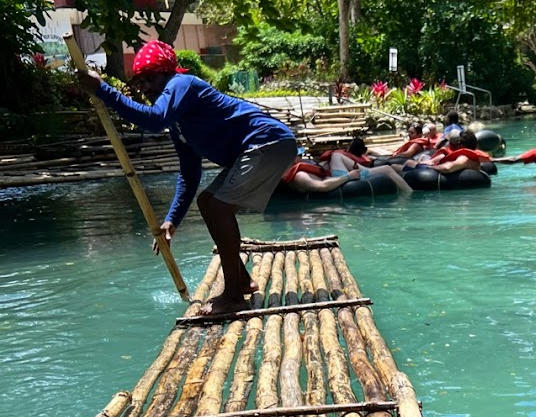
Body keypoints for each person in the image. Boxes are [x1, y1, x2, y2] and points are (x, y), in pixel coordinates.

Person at [76, 40, 296, 316]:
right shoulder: (179, 124)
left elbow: (154, 120)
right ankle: (241, 280)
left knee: (219, 206)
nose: (148, 88)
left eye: (152, 79)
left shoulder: (183, 84)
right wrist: (172, 220)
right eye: (142, 83)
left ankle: (233, 297)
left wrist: (102, 90)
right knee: (207, 201)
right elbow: (190, 173)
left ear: (168, 74)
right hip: (253, 150)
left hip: (268, 142)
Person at [282, 151, 413, 194]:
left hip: (338, 176)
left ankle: (409, 192)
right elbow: (322, 186)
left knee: (336, 156)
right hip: (341, 181)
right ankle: (409, 195)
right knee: (388, 170)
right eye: (300, 154)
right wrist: (347, 176)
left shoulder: (299, 169)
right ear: (294, 159)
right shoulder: (300, 176)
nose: (302, 156)